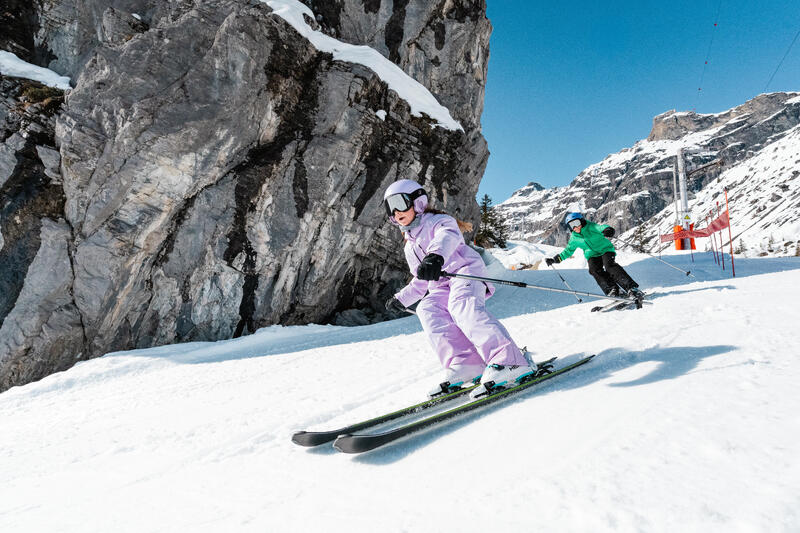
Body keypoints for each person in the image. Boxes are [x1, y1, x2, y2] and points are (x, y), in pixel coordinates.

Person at [382, 179, 536, 399]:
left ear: (417, 201)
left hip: (465, 273)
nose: (396, 212)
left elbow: (448, 237)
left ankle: (509, 361)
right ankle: (467, 364)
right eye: (390, 207)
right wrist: (402, 298)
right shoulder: (409, 246)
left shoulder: (439, 221)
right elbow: (420, 279)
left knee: (461, 305)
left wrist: (435, 256)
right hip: (441, 286)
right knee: (427, 308)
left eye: (399, 202)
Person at [545, 212, 644, 301]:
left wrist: (607, 229)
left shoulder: (591, 227)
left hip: (605, 249)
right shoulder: (574, 238)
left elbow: (600, 227)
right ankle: (613, 290)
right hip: (592, 254)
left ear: (582, 221)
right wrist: (555, 260)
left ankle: (631, 288)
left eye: (576, 223)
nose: (575, 227)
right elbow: (568, 251)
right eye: (572, 225)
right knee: (594, 270)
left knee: (609, 266)